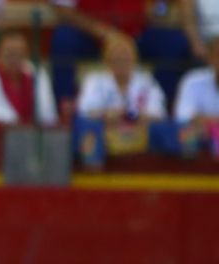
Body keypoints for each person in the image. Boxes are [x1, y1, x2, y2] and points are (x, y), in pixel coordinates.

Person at [48, 0, 192, 112]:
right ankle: (65, 106)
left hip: (136, 33)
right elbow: (63, 10)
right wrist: (103, 32)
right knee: (63, 39)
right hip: (92, 35)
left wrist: (158, 11)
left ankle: (162, 107)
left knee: (174, 43)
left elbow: (160, 8)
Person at [74, 35, 170, 166]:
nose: (122, 63)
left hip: (140, 131)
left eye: (126, 59)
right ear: (107, 61)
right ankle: (93, 167)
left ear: (134, 60)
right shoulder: (95, 81)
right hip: (106, 130)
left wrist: (138, 116)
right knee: (86, 126)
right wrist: (107, 114)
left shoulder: (147, 81)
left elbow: (159, 113)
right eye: (117, 59)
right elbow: (85, 111)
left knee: (164, 128)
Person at [0, 31, 58, 124]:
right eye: (9, 54)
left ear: (27, 55)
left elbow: (48, 114)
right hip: (0, 131)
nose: (14, 59)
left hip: (32, 131)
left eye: (19, 54)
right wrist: (14, 120)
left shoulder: (37, 74)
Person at [173, 36, 219, 154]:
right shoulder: (192, 80)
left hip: (205, 131)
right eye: (218, 56)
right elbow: (182, 117)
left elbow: (196, 118)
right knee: (185, 132)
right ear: (210, 58)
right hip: (200, 139)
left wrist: (204, 119)